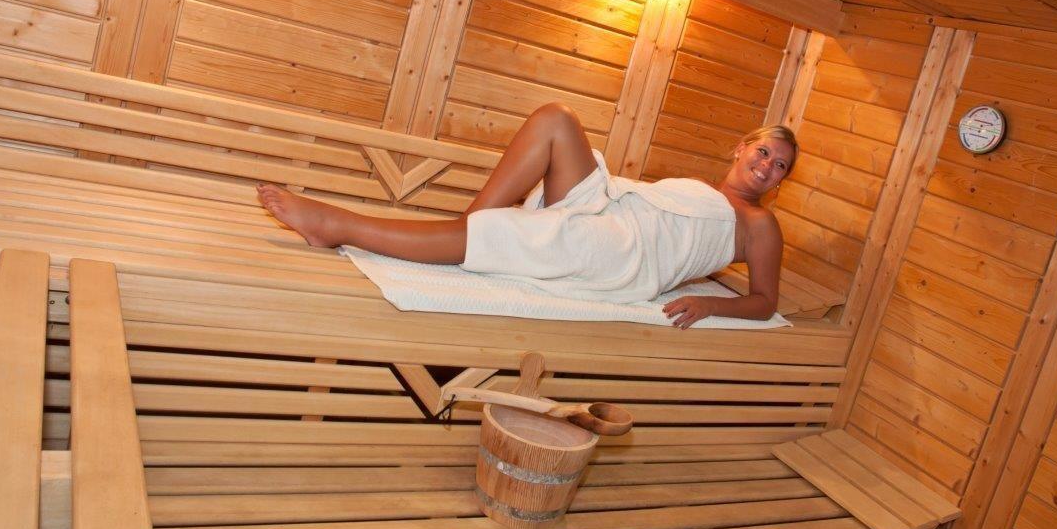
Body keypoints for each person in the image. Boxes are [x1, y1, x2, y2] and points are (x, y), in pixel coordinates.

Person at [257, 102, 797, 329]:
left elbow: (765, 301)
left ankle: (338, 226)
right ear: (740, 149)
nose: (767, 167)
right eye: (764, 153)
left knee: (506, 234)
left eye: (779, 167)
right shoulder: (703, 191)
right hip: (611, 208)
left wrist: (708, 303)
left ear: (778, 182)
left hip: (625, 255)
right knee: (556, 119)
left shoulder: (759, 225)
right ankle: (470, 229)